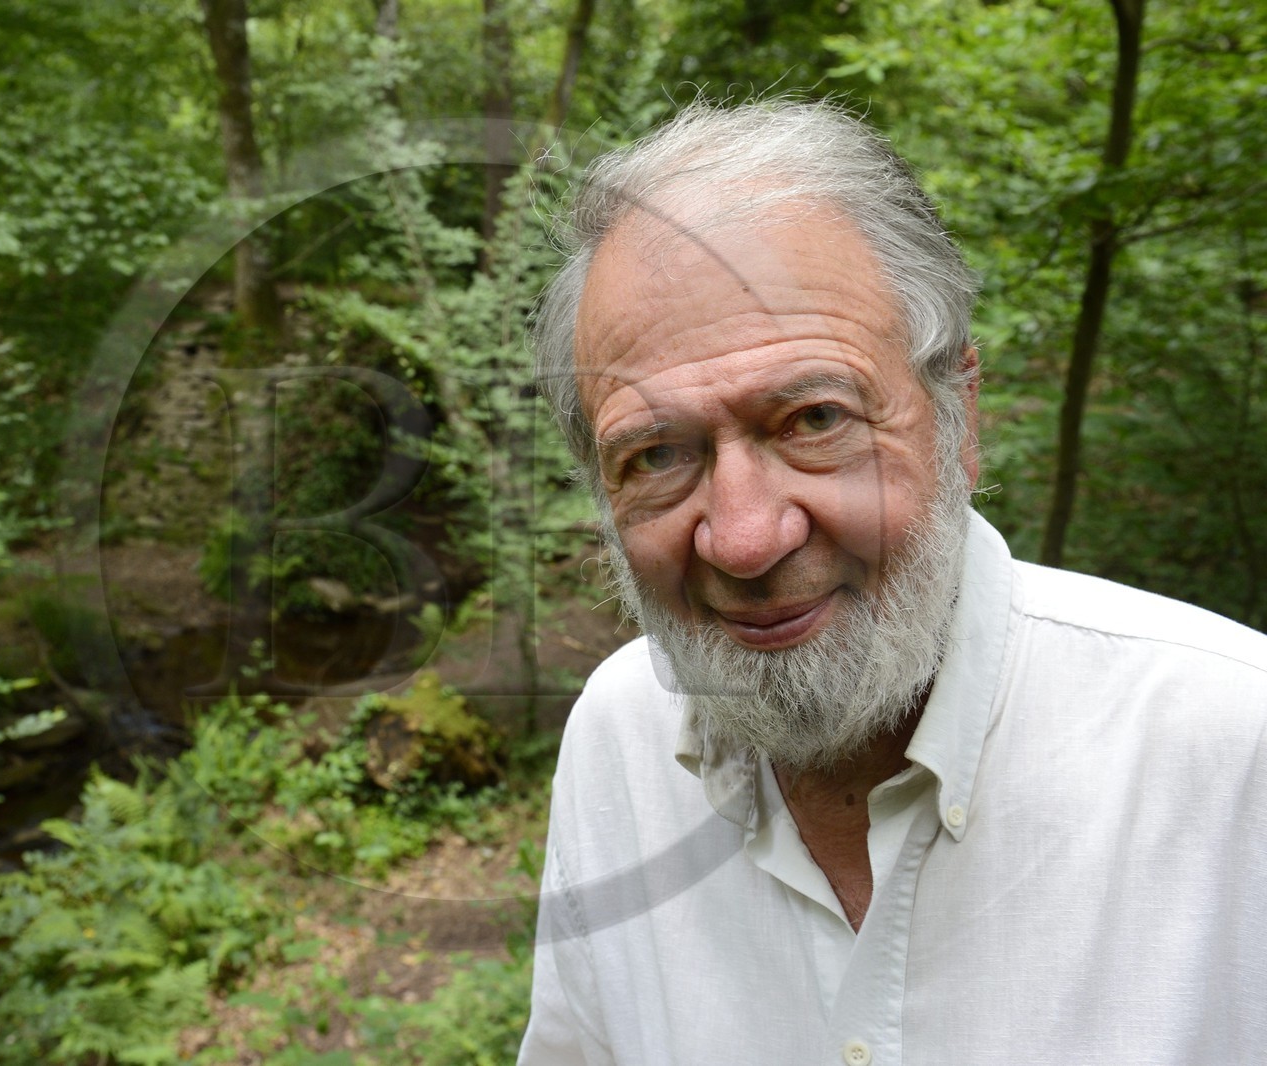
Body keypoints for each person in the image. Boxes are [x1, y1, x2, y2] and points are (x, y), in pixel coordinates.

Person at [518, 99, 1267, 1065]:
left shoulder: (1235, 753)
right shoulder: (618, 737)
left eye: (815, 420)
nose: (745, 540)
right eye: (657, 453)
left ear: (957, 416)